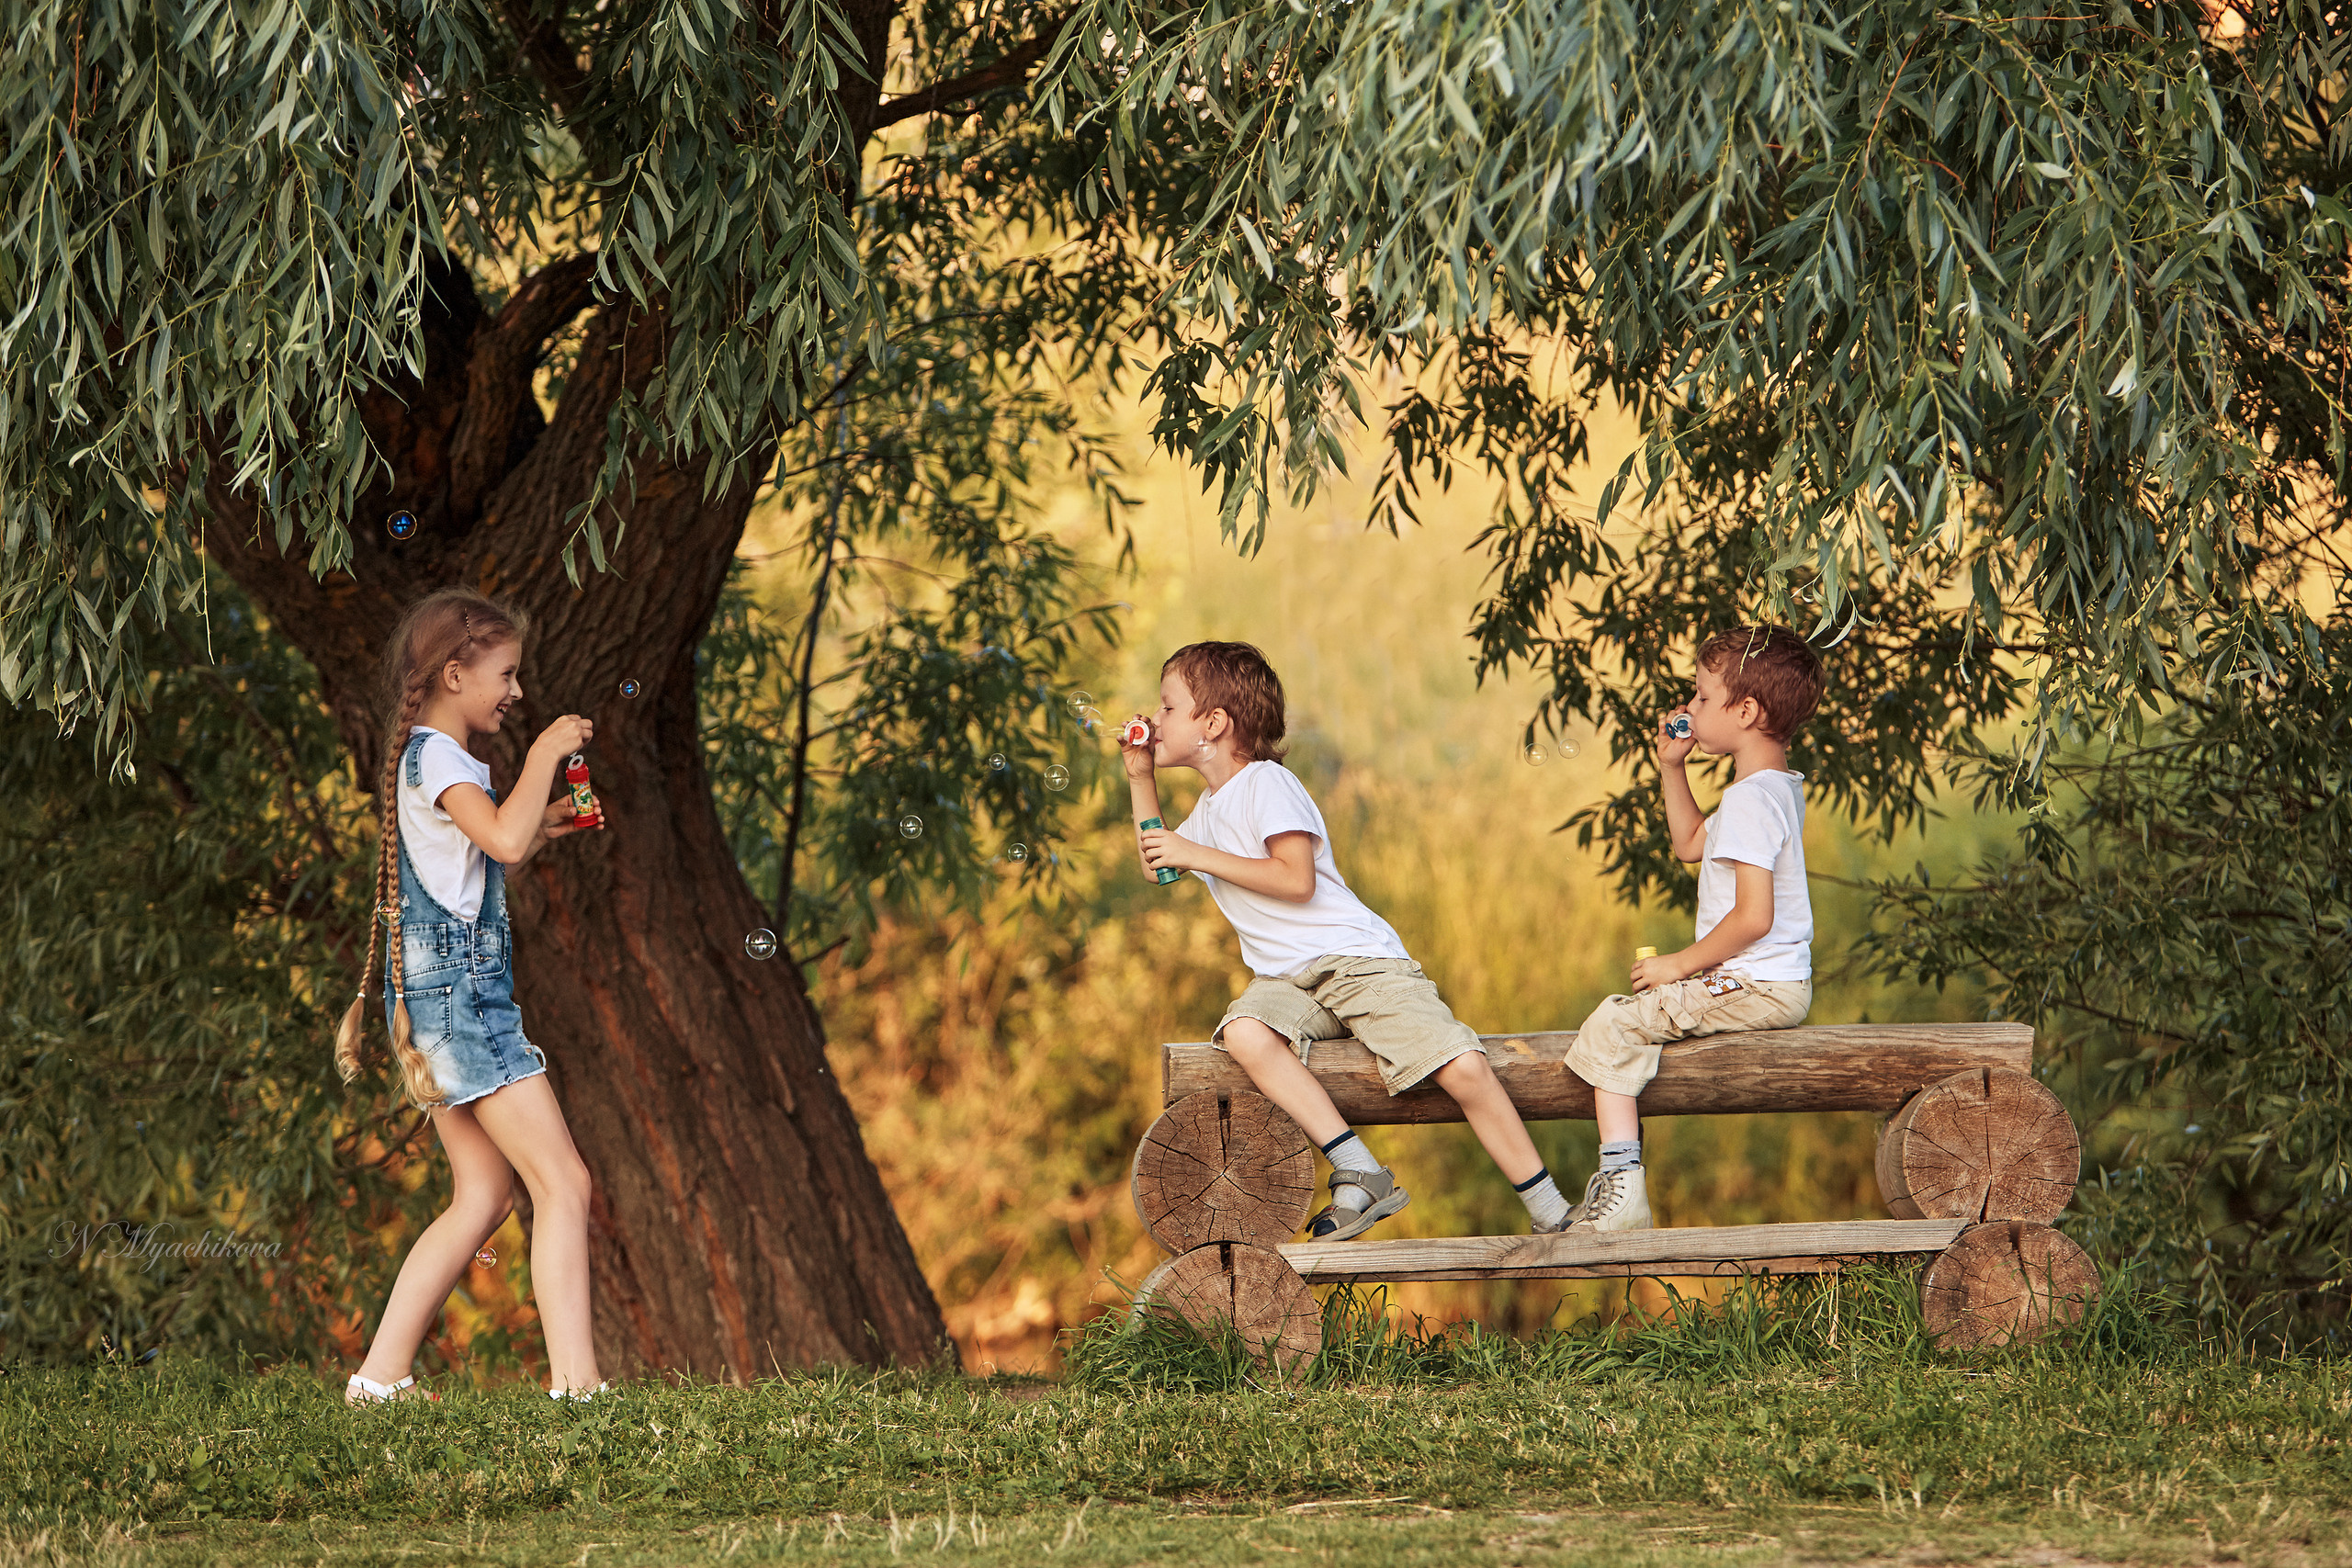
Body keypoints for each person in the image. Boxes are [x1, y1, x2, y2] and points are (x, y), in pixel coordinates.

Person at [1122, 641, 1574, 1239]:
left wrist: (1194, 852)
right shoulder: (1208, 809)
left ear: (1213, 723)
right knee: (1244, 1032)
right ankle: (1360, 1169)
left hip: (1356, 962)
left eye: (1168, 706)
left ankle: (1553, 1212)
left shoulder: (1266, 784)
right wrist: (1139, 778)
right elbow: (1160, 865)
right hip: (1288, 980)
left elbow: (1295, 878)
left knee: (1461, 1067)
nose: (1154, 719)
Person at [334, 588, 613, 1404]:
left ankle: (379, 1380)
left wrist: (544, 815)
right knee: (566, 1183)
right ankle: (579, 1388)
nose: (517, 691)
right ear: (455, 673)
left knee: (484, 1194)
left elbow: (493, 847)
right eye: (507, 674)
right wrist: (545, 755)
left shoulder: (431, 759)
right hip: (461, 999)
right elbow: (501, 836)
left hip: (430, 999)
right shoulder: (443, 759)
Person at [1561, 624, 1826, 1233]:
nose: (1691, 708)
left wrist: (1679, 964)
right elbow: (1688, 844)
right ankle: (1622, 1187)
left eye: (1703, 697)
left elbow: (1754, 916)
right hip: (1761, 980)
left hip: (1760, 983)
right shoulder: (1768, 789)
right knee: (1632, 1019)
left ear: (1747, 710)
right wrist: (1671, 765)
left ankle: (1623, 1188)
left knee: (1616, 1022)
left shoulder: (1752, 801)